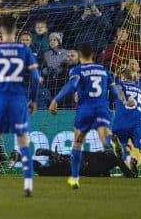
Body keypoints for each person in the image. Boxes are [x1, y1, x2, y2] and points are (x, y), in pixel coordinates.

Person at [48, 43, 134, 189]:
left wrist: (56, 99)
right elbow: (114, 91)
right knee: (104, 137)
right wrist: (124, 101)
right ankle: (111, 141)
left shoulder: (77, 69)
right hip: (102, 109)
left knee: (77, 143)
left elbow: (71, 85)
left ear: (80, 55)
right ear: (93, 54)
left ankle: (74, 178)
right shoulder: (103, 70)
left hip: (85, 110)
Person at [0, 15, 40, 197]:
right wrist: (33, 100)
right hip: (19, 100)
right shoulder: (25, 49)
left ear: (0, 30)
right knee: (23, 142)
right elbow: (35, 78)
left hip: (0, 100)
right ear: (16, 29)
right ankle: (28, 185)